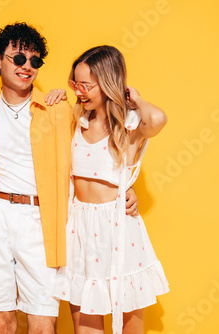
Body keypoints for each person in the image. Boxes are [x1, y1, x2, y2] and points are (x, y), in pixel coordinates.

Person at [0, 23, 139, 333]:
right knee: (0, 319)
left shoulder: (59, 109)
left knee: (43, 320)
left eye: (34, 61)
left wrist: (126, 185)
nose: (27, 67)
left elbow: (97, 148)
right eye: (19, 59)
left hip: (43, 221)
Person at [54, 45, 170, 334]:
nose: (79, 91)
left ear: (107, 83)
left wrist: (136, 98)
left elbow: (156, 120)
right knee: (84, 325)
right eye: (75, 83)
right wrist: (57, 97)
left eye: (86, 85)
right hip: (79, 228)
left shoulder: (129, 125)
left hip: (117, 228)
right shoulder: (75, 120)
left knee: (129, 322)